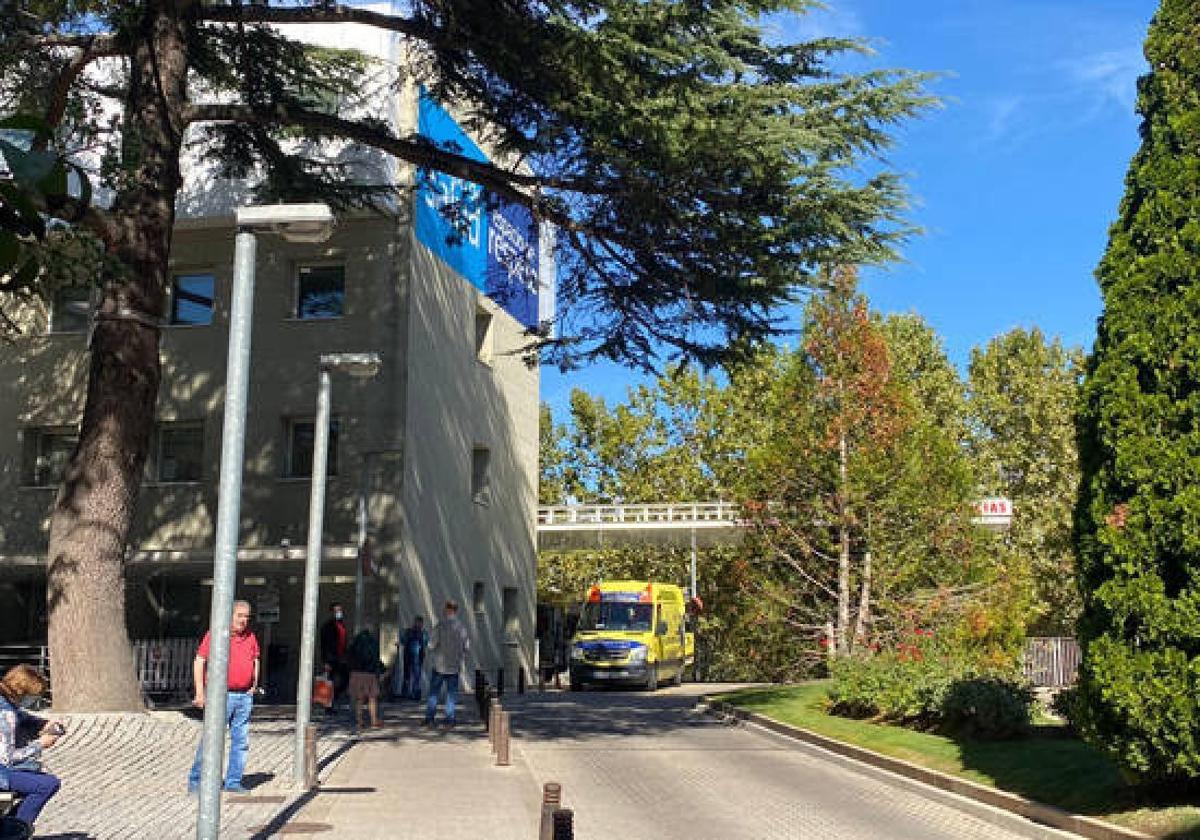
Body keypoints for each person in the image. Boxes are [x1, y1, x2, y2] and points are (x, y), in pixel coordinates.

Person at [188, 600, 260, 795]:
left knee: (241, 741)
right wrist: (200, 692)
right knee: (212, 739)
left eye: (247, 617)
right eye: (240, 616)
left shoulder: (251, 637)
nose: (243, 620)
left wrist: (253, 684)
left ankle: (233, 781)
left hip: (244, 696)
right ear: (230, 615)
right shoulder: (216, 635)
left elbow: (255, 659)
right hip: (221, 695)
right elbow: (199, 661)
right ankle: (197, 780)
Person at [0, 665, 63, 835]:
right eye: (33, 696)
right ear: (22, 691)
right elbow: (8, 758)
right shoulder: (6, 714)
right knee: (47, 784)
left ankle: (10, 825)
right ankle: (13, 831)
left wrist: (44, 724)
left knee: (40, 778)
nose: (34, 701)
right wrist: (40, 744)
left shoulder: (5, 703)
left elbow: (24, 717)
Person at [423, 600, 470, 729]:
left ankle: (430, 719)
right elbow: (466, 647)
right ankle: (449, 720)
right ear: (456, 610)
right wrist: (460, 658)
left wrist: (430, 646)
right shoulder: (461, 627)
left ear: (448, 609)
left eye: (445, 608)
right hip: (454, 666)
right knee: (451, 695)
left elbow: (431, 645)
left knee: (433, 693)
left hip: (439, 666)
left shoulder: (440, 625)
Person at [346, 628, 384, 730]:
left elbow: (348, 657)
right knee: (372, 698)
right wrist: (380, 670)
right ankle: (374, 720)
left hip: (356, 673)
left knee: (359, 699)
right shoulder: (373, 643)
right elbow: (376, 658)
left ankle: (360, 722)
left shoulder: (354, 644)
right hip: (369, 674)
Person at [319, 603, 350, 710]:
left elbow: (344, 641)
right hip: (332, 658)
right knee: (330, 681)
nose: (339, 613)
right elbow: (324, 645)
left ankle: (334, 698)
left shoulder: (341, 625)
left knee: (345, 679)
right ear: (332, 612)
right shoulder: (327, 626)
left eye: (340, 610)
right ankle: (328, 705)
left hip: (341, 658)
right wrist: (326, 661)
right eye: (336, 611)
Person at [399, 616, 427, 701]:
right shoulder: (409, 631)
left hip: (417, 657)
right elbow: (403, 640)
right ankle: (407, 693)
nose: (418, 624)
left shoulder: (422, 633)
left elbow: (426, 642)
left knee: (415, 676)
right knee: (408, 675)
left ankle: (413, 693)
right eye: (417, 622)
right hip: (410, 656)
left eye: (419, 623)